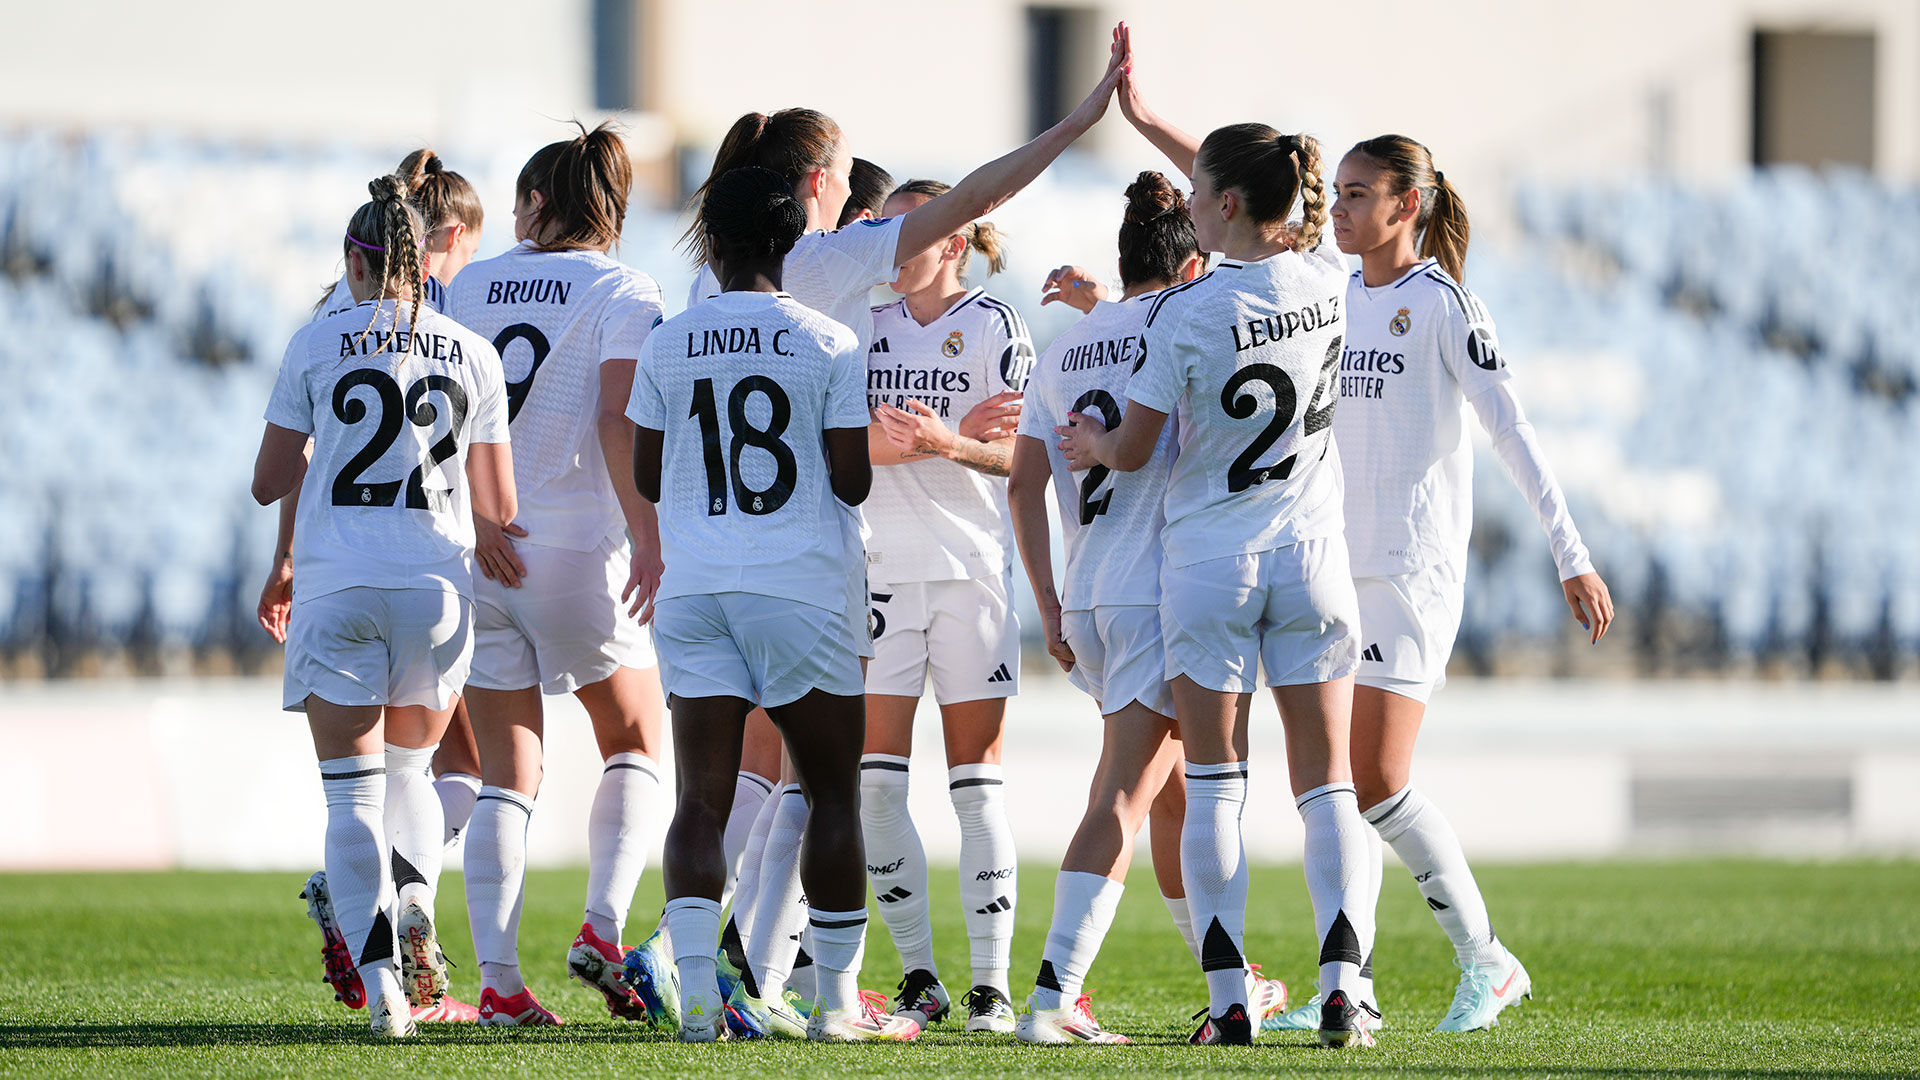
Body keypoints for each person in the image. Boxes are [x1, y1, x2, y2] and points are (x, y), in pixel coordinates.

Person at [620, 27, 1130, 1027]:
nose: (860, 196)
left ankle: (711, 973)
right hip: (804, 563)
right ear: (816, 184)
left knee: (731, 789)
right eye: (848, 176)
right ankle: (791, 988)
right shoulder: (822, 276)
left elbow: (653, 456)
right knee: (819, 788)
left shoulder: (691, 302)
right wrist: (1075, 123)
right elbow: (975, 201)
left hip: (701, 566)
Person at [1261, 134, 1612, 1035]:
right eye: (1332, 193)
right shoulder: (1331, 296)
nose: (1334, 211)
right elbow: (1232, 209)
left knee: (1375, 780)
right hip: (1334, 564)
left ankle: (1486, 959)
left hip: (1413, 573)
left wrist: (1568, 549)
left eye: (1356, 194)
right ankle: (1350, 984)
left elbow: (1513, 429)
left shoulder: (1445, 303)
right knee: (1337, 784)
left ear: (1407, 205)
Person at [1060, 98, 1377, 1046]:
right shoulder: (1327, 276)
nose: (1188, 202)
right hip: (1314, 555)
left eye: (1200, 192)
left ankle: (1232, 998)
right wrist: (1155, 121)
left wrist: (1089, 440)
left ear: (1230, 203)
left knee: (1216, 785)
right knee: (1327, 790)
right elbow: (1265, 188)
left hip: (1211, 564)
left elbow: (1135, 449)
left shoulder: (1190, 311)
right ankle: (1344, 988)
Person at [629, 165, 918, 1043]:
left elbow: (646, 474)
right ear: (792, 245)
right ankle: (835, 1007)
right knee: (831, 794)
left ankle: (696, 1005)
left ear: (710, 243)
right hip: (800, 584)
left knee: (701, 801)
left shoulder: (668, 342)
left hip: (698, 586)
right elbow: (852, 479)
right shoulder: (828, 340)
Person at [1008, 171, 1287, 1042]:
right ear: (1196, 261)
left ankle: (1231, 978)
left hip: (1090, 595)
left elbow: (1022, 485)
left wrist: (1048, 602)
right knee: (1129, 796)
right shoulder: (1192, 318)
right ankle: (1054, 995)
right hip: (1158, 592)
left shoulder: (1067, 347)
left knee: (1168, 799)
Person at [250, 174, 514, 1037]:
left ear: (357, 264)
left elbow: (266, 484)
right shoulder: (472, 352)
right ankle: (415, 923)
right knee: (410, 776)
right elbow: (500, 507)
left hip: (339, 584)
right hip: (437, 590)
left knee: (349, 799)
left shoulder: (315, 342)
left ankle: (383, 991)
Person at [443, 123, 668, 1027]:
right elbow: (619, 416)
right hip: (577, 550)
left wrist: (478, 520)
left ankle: (499, 984)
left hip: (476, 547)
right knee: (639, 741)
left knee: (508, 773)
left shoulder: (469, 282)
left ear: (537, 203)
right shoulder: (625, 287)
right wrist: (648, 533)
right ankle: (604, 930)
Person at [854, 176, 1031, 1033]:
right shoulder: (864, 321)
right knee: (878, 789)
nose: (889, 249)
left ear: (954, 242)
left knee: (977, 788)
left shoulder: (996, 325)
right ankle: (919, 976)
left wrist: (946, 441)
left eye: (907, 232)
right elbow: (840, 441)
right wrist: (906, 444)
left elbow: (1019, 456)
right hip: (879, 572)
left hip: (970, 575)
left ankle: (992, 989)